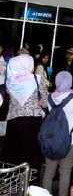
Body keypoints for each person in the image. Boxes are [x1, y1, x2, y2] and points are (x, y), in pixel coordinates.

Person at [1, 54, 48, 184]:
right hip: (33, 123)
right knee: (32, 158)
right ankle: (30, 187)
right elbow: (45, 102)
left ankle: (13, 186)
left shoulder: (10, 81)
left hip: (14, 122)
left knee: (14, 157)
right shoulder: (37, 79)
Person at [42, 71, 73, 196]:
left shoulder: (50, 97)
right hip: (71, 141)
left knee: (48, 173)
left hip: (51, 139)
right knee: (65, 171)